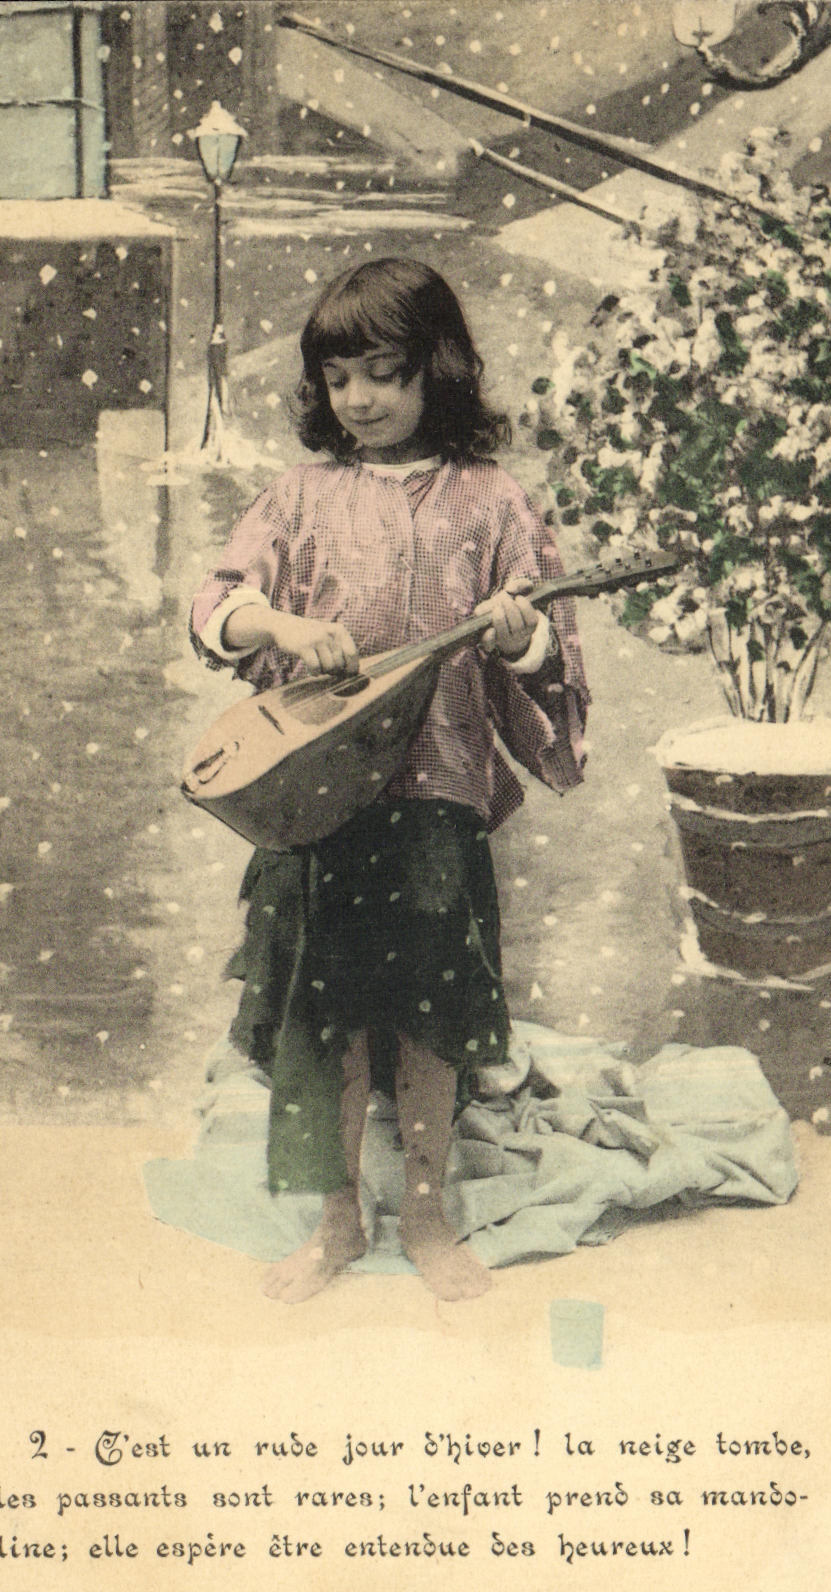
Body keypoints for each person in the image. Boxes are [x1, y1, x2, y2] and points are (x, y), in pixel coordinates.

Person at [190, 258, 589, 1304]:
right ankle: (336, 1221)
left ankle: (423, 1210)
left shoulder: (494, 503)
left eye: (383, 374)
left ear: (436, 370)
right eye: (337, 379)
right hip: (316, 802)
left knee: (429, 1016)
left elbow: (553, 656)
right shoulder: (299, 497)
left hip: (436, 796)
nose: (358, 400)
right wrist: (281, 627)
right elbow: (215, 607)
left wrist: (516, 637)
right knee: (321, 1024)